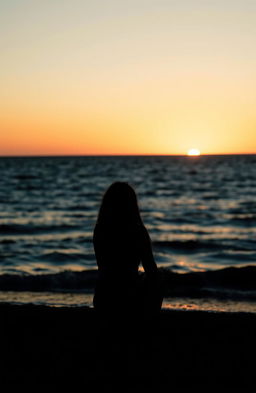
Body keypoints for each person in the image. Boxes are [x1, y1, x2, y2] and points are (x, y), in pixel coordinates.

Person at [93, 182, 162, 320]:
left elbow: (103, 268)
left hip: (103, 298)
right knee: (158, 277)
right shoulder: (138, 231)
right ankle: (151, 318)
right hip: (130, 297)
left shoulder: (100, 230)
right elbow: (151, 270)